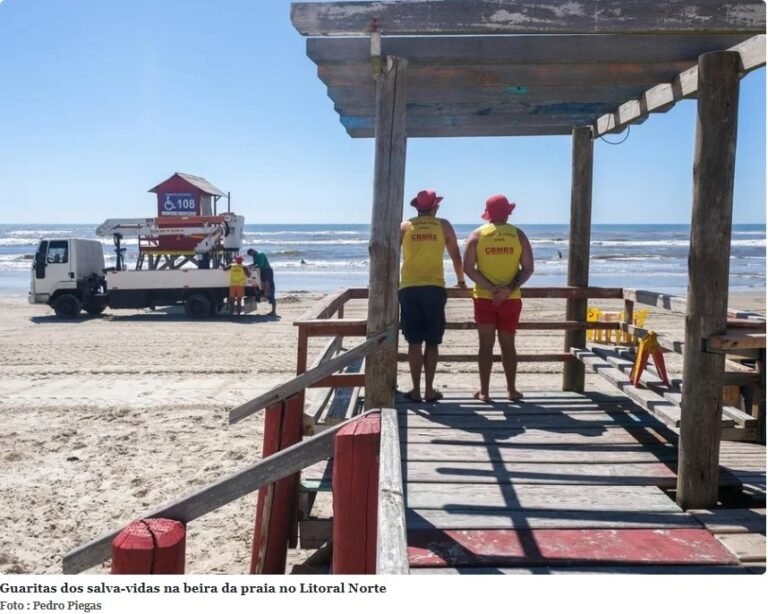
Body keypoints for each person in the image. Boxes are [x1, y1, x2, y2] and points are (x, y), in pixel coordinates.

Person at [463, 194, 534, 402]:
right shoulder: (518, 234)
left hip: (485, 297)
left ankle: (484, 392)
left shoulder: (477, 235)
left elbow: (468, 268)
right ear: (508, 213)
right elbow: (528, 268)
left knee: (485, 345)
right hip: (510, 299)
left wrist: (492, 289)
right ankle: (511, 390)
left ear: (489, 214)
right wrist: (507, 290)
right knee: (508, 345)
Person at [399, 189, 466, 403]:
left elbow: (390, 253)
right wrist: (461, 281)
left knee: (414, 342)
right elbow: (456, 255)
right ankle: (429, 389)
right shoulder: (443, 225)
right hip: (434, 288)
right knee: (433, 341)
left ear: (417, 208)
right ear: (435, 207)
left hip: (409, 287)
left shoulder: (405, 225)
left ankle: (416, 390)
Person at [246, 248, 276, 316]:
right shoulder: (254, 256)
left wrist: (254, 267)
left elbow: (261, 264)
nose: (252, 256)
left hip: (267, 270)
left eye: (251, 254)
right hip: (261, 271)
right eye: (251, 255)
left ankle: (273, 311)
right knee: (262, 287)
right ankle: (264, 296)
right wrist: (250, 266)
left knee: (270, 288)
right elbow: (255, 263)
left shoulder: (261, 254)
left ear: (253, 251)